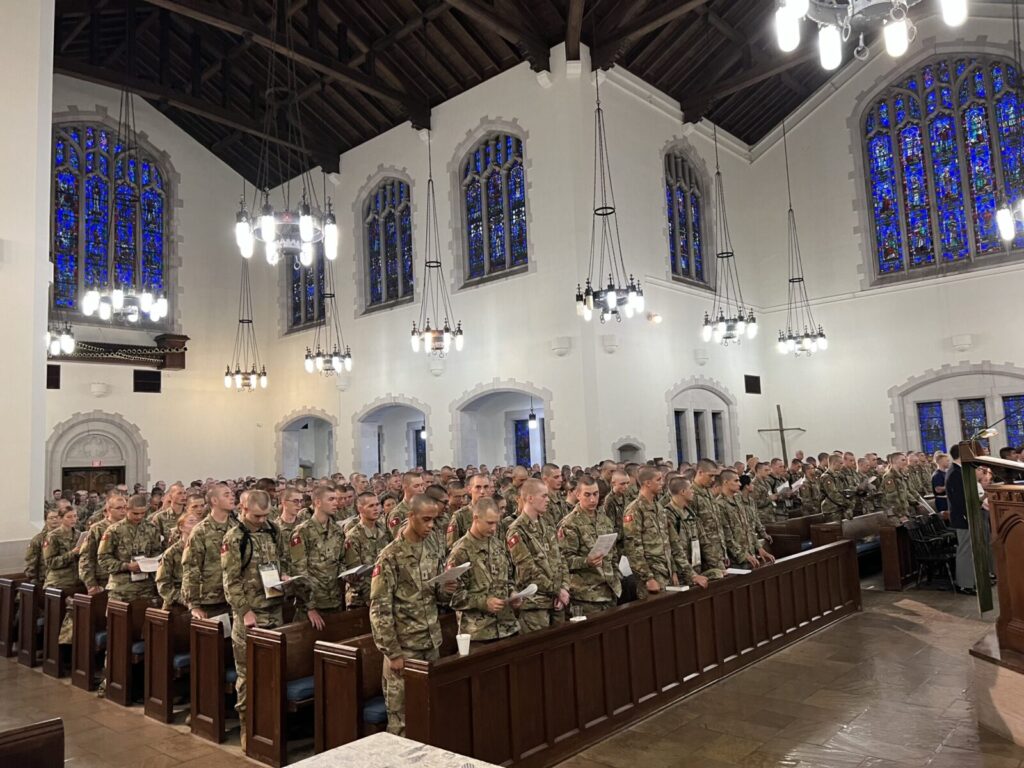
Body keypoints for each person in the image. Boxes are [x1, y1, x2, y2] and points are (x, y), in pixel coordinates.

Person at [370, 494, 454, 736]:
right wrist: (393, 653)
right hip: (404, 648)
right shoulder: (390, 556)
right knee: (402, 721)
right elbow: (379, 609)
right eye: (425, 520)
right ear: (410, 516)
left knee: (429, 713)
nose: (430, 525)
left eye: (434, 520)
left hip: (430, 641)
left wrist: (446, 588)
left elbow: (434, 592)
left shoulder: (432, 545)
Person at [221, 490, 292, 749]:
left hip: (274, 608)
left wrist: (285, 578)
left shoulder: (272, 530)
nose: (262, 520)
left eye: (265, 515)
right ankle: (247, 725)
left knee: (275, 670)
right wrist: (244, 612)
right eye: (257, 515)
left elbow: (282, 561)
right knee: (248, 673)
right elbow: (231, 582)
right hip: (250, 615)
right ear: (243, 508)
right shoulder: (235, 537)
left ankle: (272, 725)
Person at [447, 497, 522, 640]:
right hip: (479, 632)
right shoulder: (460, 552)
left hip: (507, 627)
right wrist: (483, 602)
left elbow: (508, 578)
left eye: (496, 523)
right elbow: (453, 596)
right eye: (489, 523)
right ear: (476, 518)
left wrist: (513, 594)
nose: (494, 528)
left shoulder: (497, 545)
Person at [506, 478, 569, 633]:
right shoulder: (517, 530)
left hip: (556, 600)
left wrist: (564, 587)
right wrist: (557, 590)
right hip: (535, 605)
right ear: (530, 498)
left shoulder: (547, 524)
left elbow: (561, 558)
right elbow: (528, 569)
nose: (548, 500)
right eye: (544, 496)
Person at [557, 475, 623, 615]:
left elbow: (613, 554)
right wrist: (586, 561)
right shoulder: (570, 524)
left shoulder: (604, 520)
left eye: (595, 494)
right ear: (578, 495)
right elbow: (563, 560)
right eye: (587, 495)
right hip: (586, 596)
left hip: (610, 589)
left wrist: (616, 576)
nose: (593, 499)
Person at [290, 485, 346, 628]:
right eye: (331, 499)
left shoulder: (337, 530)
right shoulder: (302, 531)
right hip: (313, 603)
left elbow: (340, 561)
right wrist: (309, 607)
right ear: (318, 502)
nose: (336, 503)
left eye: (336, 499)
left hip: (334, 600)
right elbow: (299, 571)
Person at [181, 482, 237, 620]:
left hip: (235, 597)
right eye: (226, 495)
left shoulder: (237, 527)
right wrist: (193, 605)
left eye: (232, 494)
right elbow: (191, 568)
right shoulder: (201, 531)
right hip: (210, 599)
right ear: (214, 500)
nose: (232, 498)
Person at [97, 493, 163, 602]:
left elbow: (157, 553)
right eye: (135, 513)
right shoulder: (114, 530)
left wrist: (151, 563)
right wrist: (126, 566)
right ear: (127, 509)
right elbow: (103, 558)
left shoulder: (151, 528)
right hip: (121, 588)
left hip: (146, 588)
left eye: (143, 513)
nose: (139, 517)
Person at [43, 501, 85, 644]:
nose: (73, 519)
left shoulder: (79, 534)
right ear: (61, 519)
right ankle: (55, 649)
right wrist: (72, 553)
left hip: (76, 581)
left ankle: (72, 651)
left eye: (75, 516)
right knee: (57, 621)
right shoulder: (53, 536)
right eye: (69, 517)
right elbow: (50, 563)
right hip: (58, 582)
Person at [343, 492, 389, 609]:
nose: (376, 509)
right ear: (360, 509)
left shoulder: (384, 530)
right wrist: (372, 597)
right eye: (371, 506)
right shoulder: (354, 536)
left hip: (383, 593)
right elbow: (354, 573)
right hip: (360, 599)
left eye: (377, 504)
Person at [945, 445, 976, 596]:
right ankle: (964, 584)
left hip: (966, 515)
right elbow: (958, 500)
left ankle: (970, 580)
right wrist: (966, 515)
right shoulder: (955, 473)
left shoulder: (959, 471)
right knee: (964, 550)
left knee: (969, 550)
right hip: (962, 517)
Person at [157, 509, 201, 609]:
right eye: (191, 522)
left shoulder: (202, 550)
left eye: (197, 522)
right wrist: (182, 599)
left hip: (198, 603)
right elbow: (162, 584)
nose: (195, 525)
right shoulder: (171, 553)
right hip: (175, 606)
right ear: (181, 527)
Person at [446, 473, 494, 549]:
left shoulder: (495, 514)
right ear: (469, 489)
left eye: (486, 487)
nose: (482, 491)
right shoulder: (460, 516)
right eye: (478, 487)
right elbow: (451, 547)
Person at [24, 507, 60, 584]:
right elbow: (31, 561)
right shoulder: (38, 539)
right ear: (46, 520)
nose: (54, 520)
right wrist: (33, 579)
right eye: (51, 518)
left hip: (61, 578)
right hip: (44, 578)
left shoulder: (65, 536)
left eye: (56, 517)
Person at [384, 471, 425, 537]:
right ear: (405, 487)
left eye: (422, 485)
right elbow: (399, 538)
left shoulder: (424, 508)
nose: (421, 489)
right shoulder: (397, 513)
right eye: (416, 486)